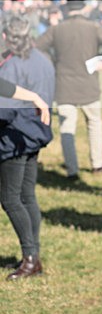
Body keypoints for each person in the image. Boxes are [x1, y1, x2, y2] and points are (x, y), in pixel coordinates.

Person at [0, 16, 55, 280]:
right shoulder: (43, 59)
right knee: (27, 195)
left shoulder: (10, 66)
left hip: (13, 138)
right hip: (36, 134)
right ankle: (33, 255)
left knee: (10, 198)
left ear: (5, 37)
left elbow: (5, 112)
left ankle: (30, 257)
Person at [36, 0, 102, 179]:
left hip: (64, 85)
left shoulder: (57, 30)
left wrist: (53, 63)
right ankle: (97, 164)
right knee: (94, 124)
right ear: (84, 7)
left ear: (66, 8)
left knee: (67, 128)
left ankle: (72, 169)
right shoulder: (94, 27)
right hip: (89, 85)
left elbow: (38, 47)